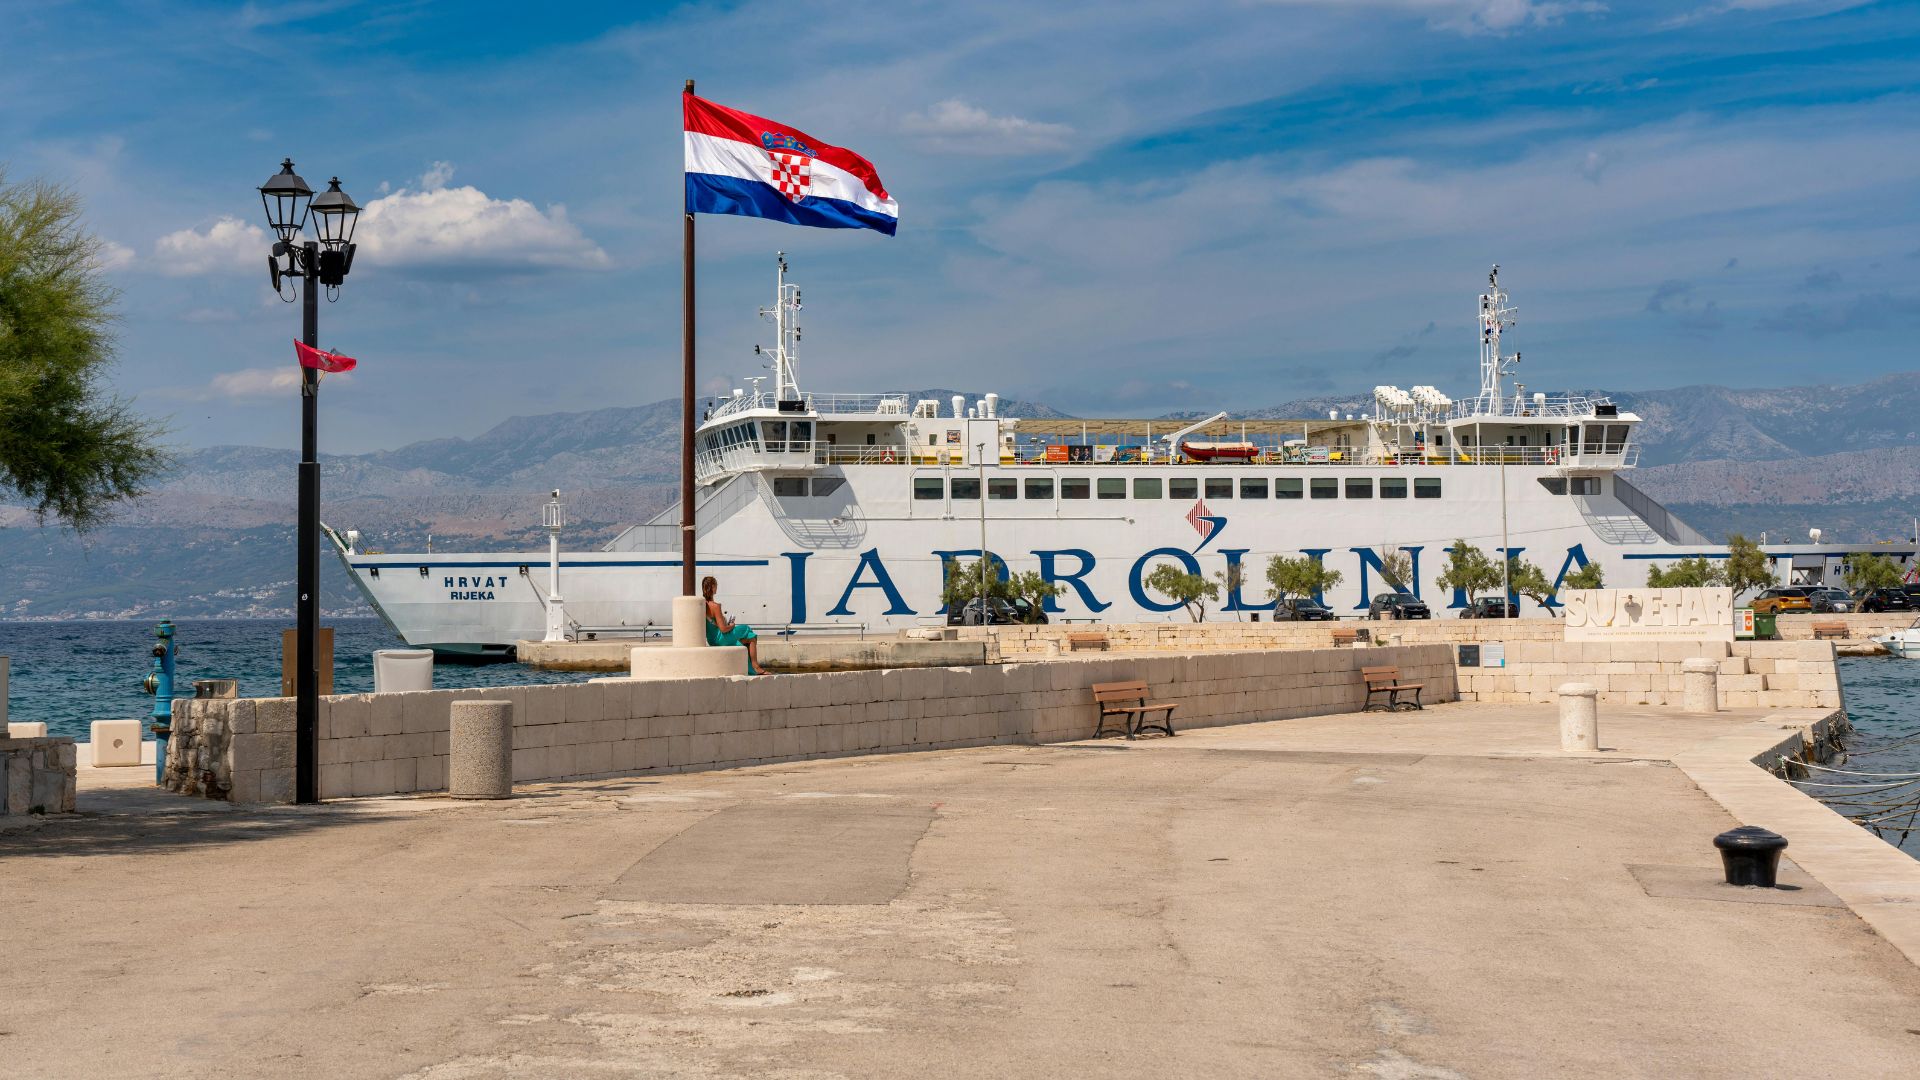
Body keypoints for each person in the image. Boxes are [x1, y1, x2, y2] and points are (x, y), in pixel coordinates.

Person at [701, 576, 761, 675]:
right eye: (716, 585)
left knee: (747, 640)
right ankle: (756, 667)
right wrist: (732, 625)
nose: (717, 588)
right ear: (712, 587)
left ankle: (754, 668)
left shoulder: (703, 604)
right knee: (747, 629)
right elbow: (723, 629)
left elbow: (713, 625)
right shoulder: (715, 606)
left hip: (712, 640)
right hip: (721, 638)